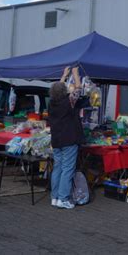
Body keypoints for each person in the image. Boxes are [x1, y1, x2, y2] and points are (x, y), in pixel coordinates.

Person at [49, 66, 85, 210]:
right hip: (69, 140)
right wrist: (76, 74)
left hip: (56, 140)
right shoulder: (68, 101)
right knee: (67, 169)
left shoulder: (51, 103)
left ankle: (55, 197)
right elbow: (78, 89)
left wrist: (64, 75)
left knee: (57, 168)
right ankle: (63, 198)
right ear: (64, 91)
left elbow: (58, 89)